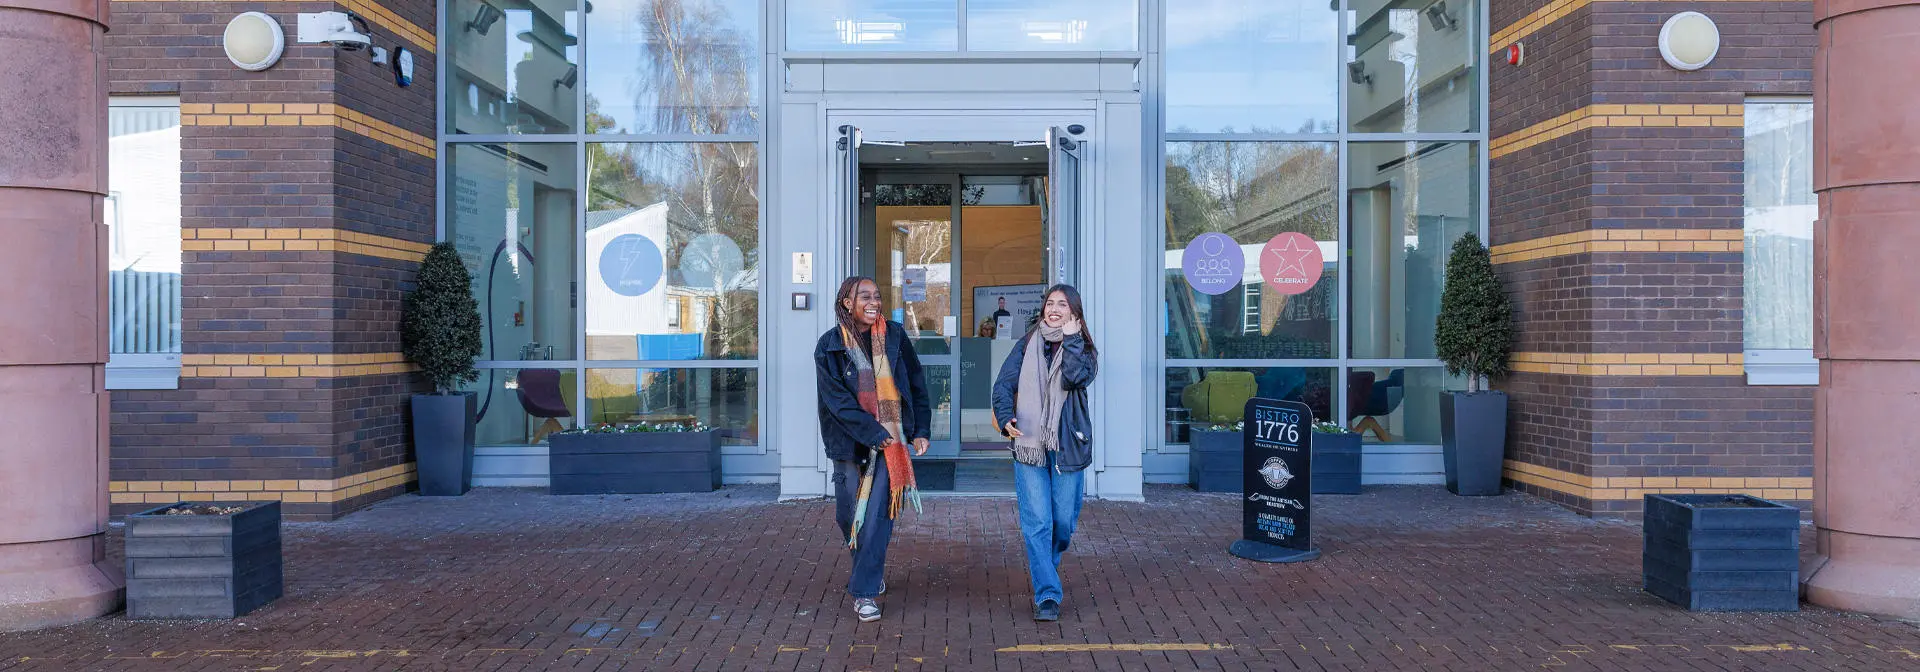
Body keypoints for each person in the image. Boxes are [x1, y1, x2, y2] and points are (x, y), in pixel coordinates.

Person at [815, 276, 931, 623]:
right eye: (864, 296)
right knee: (848, 515)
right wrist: (872, 432)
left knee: (877, 514)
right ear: (847, 302)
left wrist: (921, 430)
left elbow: (916, 383)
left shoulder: (894, 335)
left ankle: (864, 592)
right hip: (849, 442)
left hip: (890, 441)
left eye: (877, 296)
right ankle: (868, 569)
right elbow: (837, 402)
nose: (873, 302)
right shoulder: (829, 346)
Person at [991, 284, 1098, 622]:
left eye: (1062, 304)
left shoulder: (1084, 348)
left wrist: (1072, 339)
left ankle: (1044, 567)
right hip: (1029, 443)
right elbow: (1003, 384)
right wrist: (1005, 416)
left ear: (1074, 313)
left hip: (1067, 444)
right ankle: (1047, 594)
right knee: (1037, 521)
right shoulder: (1028, 343)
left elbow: (1074, 378)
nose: (1053, 309)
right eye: (1050, 303)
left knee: (1062, 522)